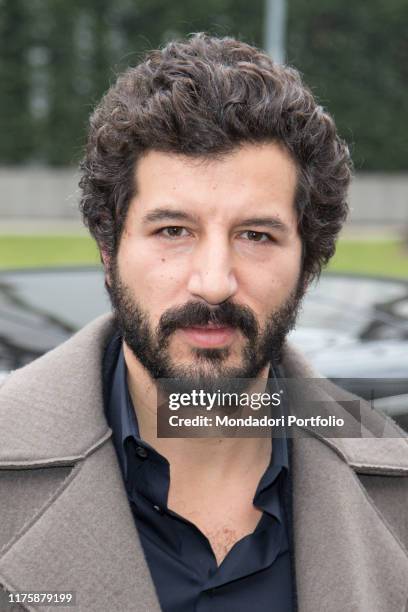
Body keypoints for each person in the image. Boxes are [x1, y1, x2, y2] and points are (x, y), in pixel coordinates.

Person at [0, 33, 407, 612]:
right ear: (109, 249)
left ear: (308, 263)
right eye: (173, 231)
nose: (214, 281)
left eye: (256, 236)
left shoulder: (395, 478)